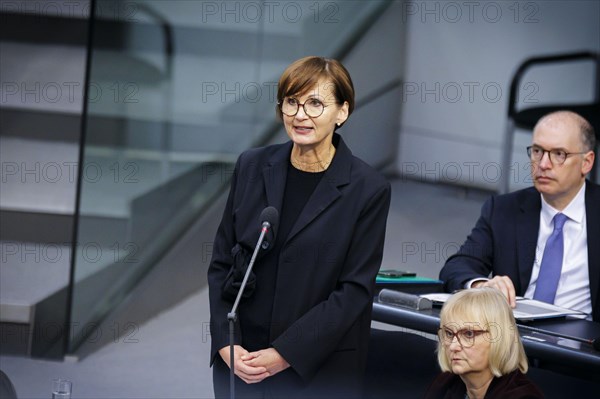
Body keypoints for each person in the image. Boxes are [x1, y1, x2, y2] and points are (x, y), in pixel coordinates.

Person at [207, 56, 391, 398]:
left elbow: (353, 291)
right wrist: (226, 343)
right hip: (241, 361)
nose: (299, 114)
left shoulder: (367, 188)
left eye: (315, 103)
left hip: (315, 369)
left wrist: (285, 354)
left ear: (342, 112)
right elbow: (221, 264)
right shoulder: (252, 165)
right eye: (291, 102)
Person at [439, 110, 599, 321]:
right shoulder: (504, 209)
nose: (543, 164)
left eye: (559, 154)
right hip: (514, 340)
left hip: (583, 343)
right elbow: (456, 267)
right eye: (537, 151)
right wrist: (482, 285)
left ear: (586, 163)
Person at [424, 288, 544, 399]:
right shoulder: (446, 382)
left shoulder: (523, 397)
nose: (453, 346)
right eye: (449, 334)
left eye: (468, 334)